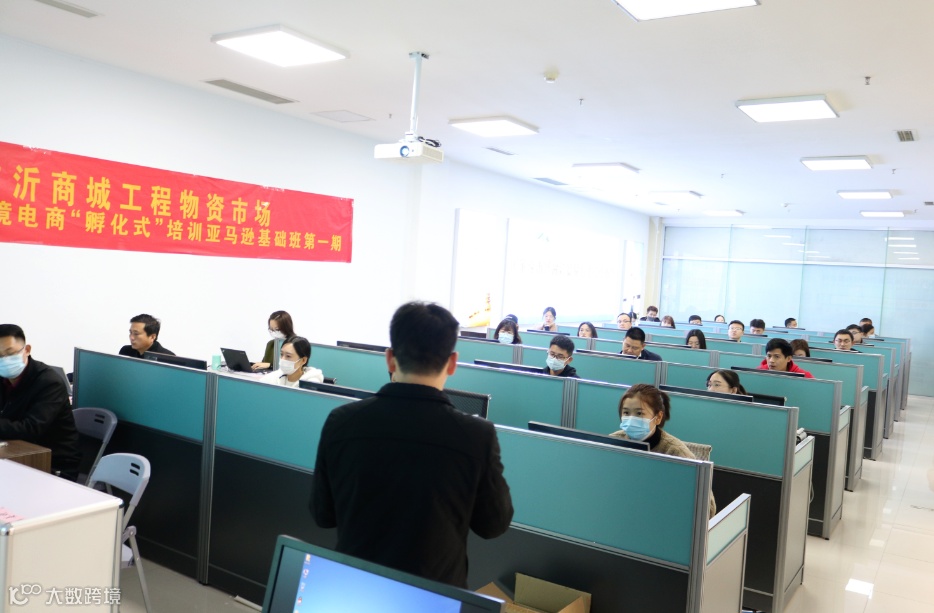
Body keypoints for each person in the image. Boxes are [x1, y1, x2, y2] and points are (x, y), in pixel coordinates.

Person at [311, 302, 513, 587]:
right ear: (452, 363)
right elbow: (494, 525)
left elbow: (323, 515)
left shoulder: (341, 422)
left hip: (356, 590)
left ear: (390, 359)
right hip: (435, 596)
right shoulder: (476, 436)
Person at [609, 384, 716, 518]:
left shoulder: (676, 453)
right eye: (626, 413)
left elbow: (708, 509)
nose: (631, 419)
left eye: (639, 413)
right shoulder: (613, 442)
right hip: (621, 513)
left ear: (658, 417)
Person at [0, 324, 80, 480]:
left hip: (52, 462)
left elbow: (30, 428)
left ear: (27, 350)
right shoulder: (3, 378)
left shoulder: (49, 382)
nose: (4, 360)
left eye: (9, 353)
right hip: (14, 452)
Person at [259, 336, 324, 388]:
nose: (283, 359)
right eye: (281, 354)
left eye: (288, 356)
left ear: (303, 360)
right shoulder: (276, 376)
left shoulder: (311, 384)